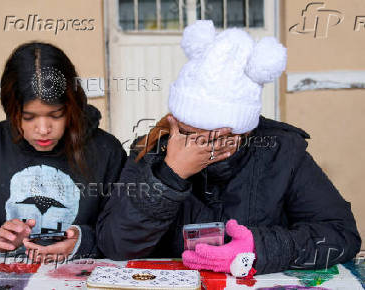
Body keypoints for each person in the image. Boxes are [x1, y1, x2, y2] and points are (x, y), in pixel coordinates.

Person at [97, 21, 361, 276]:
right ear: (174, 121)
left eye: (214, 139)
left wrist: (259, 248)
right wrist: (169, 177)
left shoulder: (282, 151)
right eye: (187, 133)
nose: (197, 147)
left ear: (244, 132)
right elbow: (116, 246)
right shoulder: (151, 149)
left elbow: (341, 235)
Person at [0, 42, 126, 260]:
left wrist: (83, 243)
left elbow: (125, 231)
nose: (43, 129)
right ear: (10, 109)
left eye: (56, 115)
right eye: (28, 117)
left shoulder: (106, 151)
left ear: (72, 106)